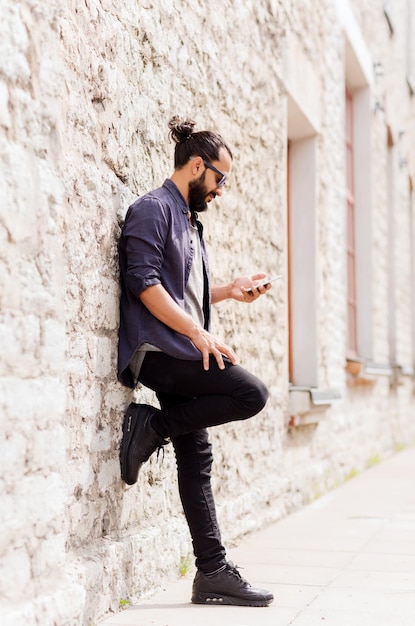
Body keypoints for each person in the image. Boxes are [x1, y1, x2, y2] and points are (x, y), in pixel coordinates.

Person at [117, 115, 274, 607]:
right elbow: (142, 284)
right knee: (251, 393)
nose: (221, 190)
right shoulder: (151, 209)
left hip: (183, 347)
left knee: (197, 458)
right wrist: (198, 333)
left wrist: (229, 291)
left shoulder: (189, 222)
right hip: (158, 353)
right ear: (197, 165)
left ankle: (211, 572)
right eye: (220, 178)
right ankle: (152, 425)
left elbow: (184, 295)